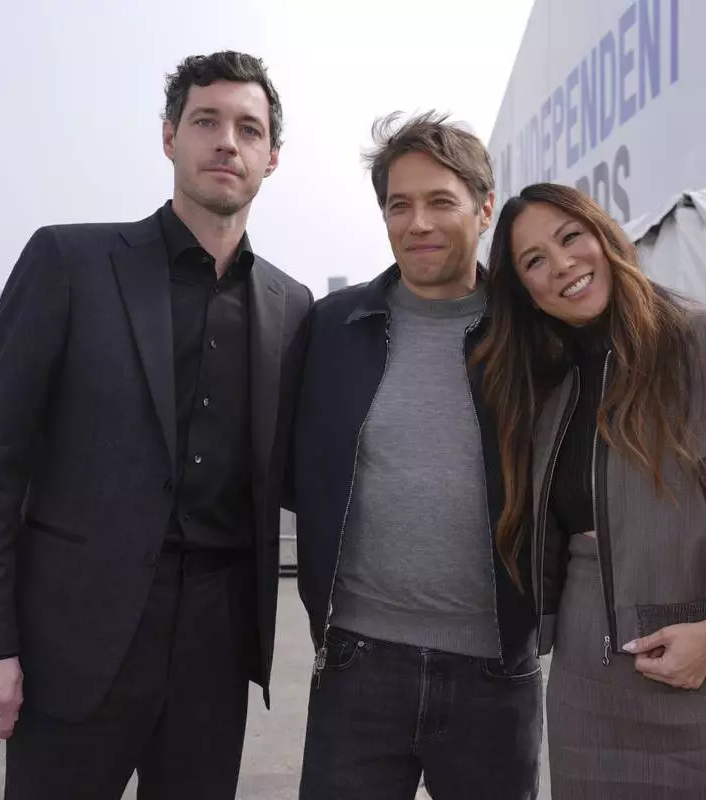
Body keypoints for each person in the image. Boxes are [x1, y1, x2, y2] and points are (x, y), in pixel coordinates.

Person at [0, 51, 312, 800]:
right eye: (206, 121)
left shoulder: (293, 307)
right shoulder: (69, 261)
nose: (226, 142)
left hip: (217, 647)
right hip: (72, 644)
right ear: (169, 136)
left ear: (273, 157)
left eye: (248, 128)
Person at [472, 183, 706, 799]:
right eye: (534, 261)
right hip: (586, 685)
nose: (562, 265)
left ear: (605, 235)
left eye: (570, 237)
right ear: (526, 293)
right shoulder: (546, 390)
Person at [291, 111, 541, 800]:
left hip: (497, 672)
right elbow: (297, 469)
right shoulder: (333, 328)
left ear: (484, 209)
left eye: (440, 201)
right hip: (357, 664)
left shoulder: (534, 336)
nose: (417, 222)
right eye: (399, 205)